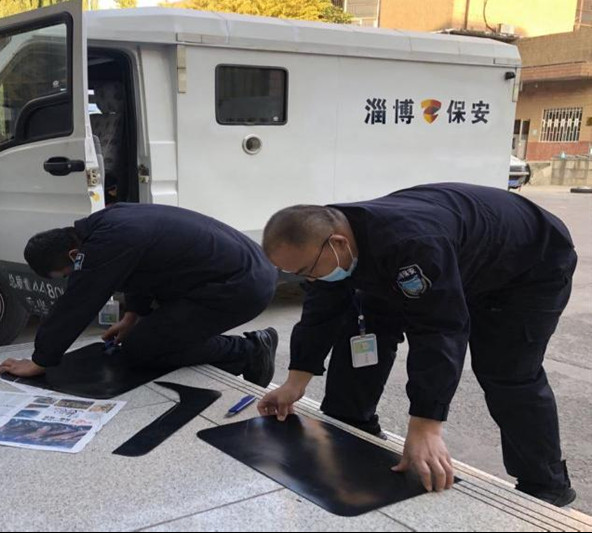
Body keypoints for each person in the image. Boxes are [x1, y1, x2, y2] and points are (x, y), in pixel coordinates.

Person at [258, 183, 577, 507]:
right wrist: (295, 382)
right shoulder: (331, 240)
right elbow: (320, 312)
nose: (309, 279)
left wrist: (426, 425)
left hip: (528, 266)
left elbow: (438, 330)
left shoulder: (409, 244)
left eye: (307, 271)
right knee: (364, 326)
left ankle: (546, 483)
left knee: (507, 371)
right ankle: (351, 423)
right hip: (452, 254)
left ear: (338, 242)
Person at [0, 203, 279, 387]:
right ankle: (236, 350)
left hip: (240, 286)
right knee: (144, 336)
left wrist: (40, 360)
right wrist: (132, 315)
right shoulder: (105, 225)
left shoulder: (105, 243)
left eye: (66, 273)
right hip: (240, 273)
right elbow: (140, 270)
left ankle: (250, 350)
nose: (70, 277)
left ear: (74, 255)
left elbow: (77, 302)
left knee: (141, 348)